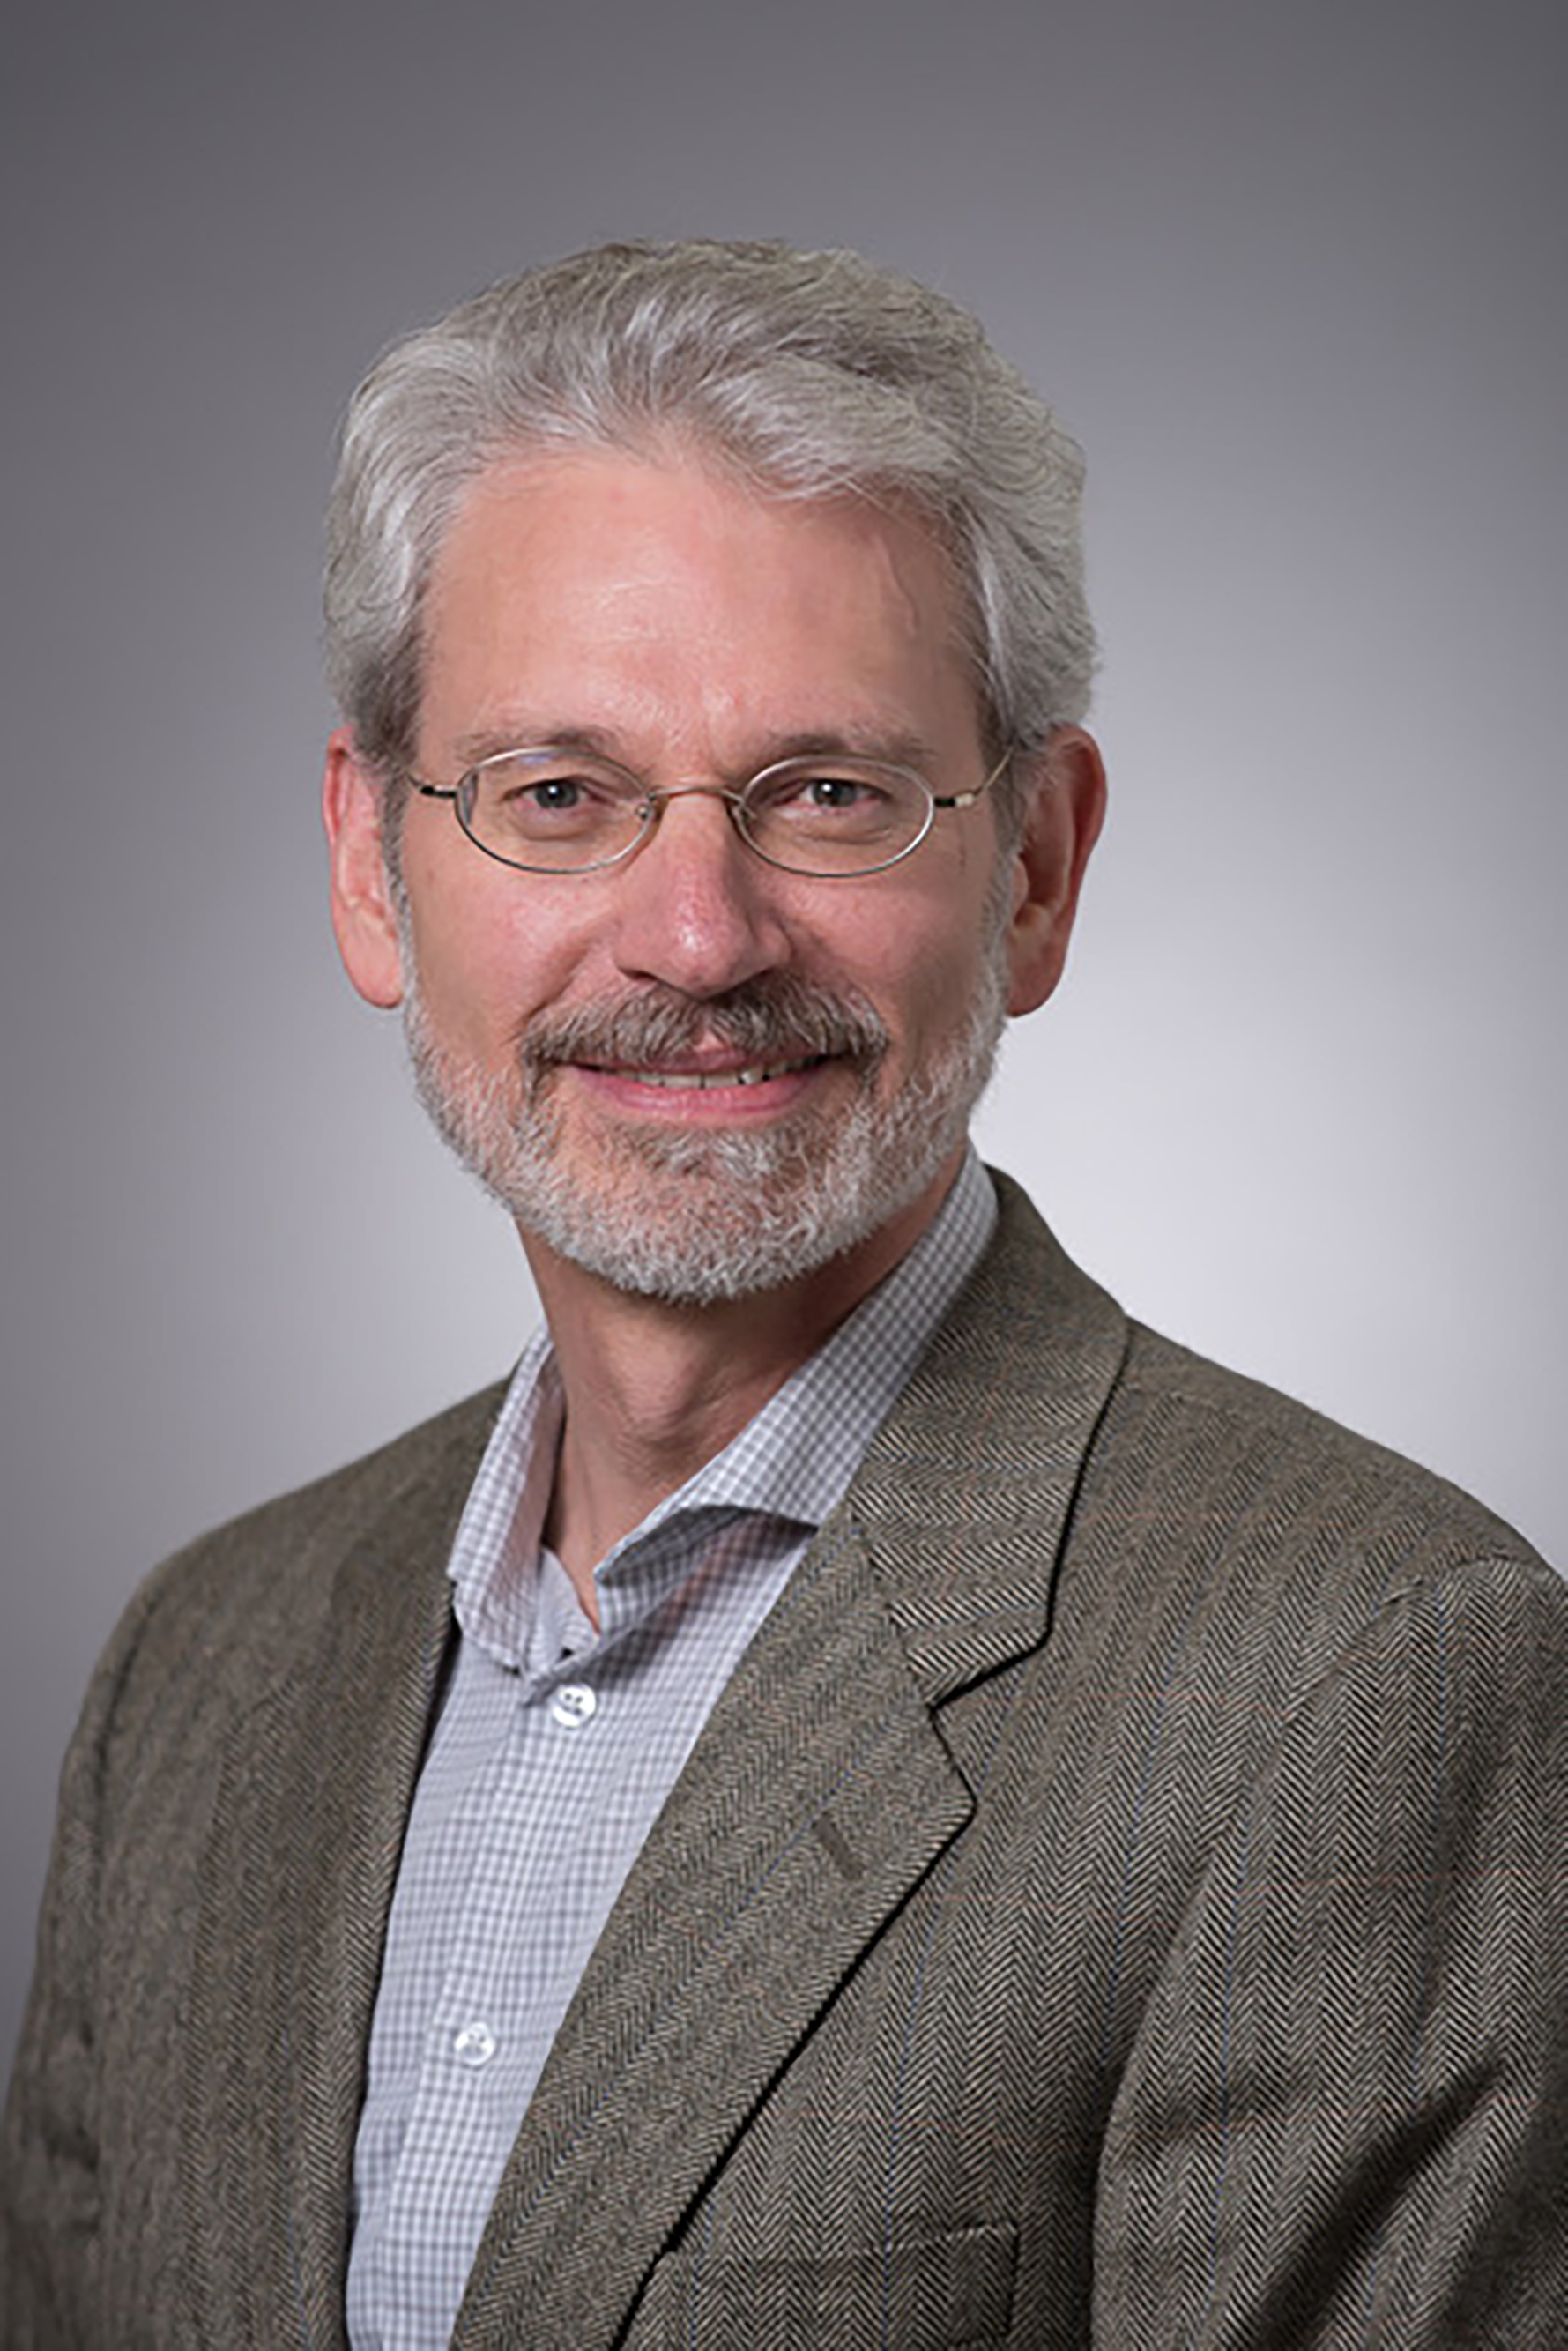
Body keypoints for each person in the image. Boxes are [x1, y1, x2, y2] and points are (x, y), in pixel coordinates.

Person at [4, 240, 1564, 2351]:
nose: (697, 934)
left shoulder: (1367, 1682)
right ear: (373, 866)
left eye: (826, 791)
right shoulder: (201, 1669)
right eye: (559, 795)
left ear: (1036, 866)